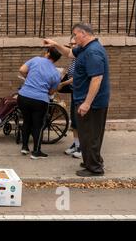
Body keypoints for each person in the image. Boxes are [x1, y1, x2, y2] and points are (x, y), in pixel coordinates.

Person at [44, 23, 110, 177]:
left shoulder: (93, 52)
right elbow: (70, 53)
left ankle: (94, 168)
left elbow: (97, 79)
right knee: (86, 134)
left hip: (93, 103)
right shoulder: (85, 48)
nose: (73, 38)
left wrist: (87, 103)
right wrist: (55, 44)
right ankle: (91, 161)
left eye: (75, 35)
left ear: (84, 34)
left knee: (90, 135)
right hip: (84, 99)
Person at [17, 47, 62, 160]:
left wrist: (29, 79)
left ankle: (24, 147)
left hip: (23, 96)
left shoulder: (36, 60)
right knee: (38, 125)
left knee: (27, 121)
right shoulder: (56, 73)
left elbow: (22, 70)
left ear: (47, 54)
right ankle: (36, 151)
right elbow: (51, 91)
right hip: (40, 100)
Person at [58, 38, 81, 159]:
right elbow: (70, 72)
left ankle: (81, 147)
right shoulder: (73, 58)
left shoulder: (81, 58)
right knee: (74, 120)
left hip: (80, 93)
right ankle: (76, 144)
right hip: (74, 91)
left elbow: (77, 76)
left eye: (74, 43)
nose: (71, 45)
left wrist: (63, 83)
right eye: (70, 44)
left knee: (79, 120)